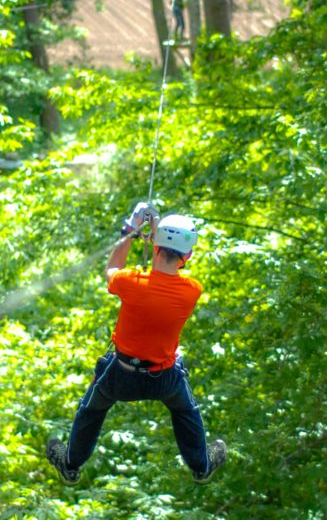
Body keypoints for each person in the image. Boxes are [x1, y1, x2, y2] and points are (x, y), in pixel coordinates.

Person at [46, 202, 227, 485]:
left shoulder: (132, 282)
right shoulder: (191, 290)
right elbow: (163, 268)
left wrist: (131, 229)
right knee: (186, 411)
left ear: (155, 246)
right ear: (188, 254)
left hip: (120, 375)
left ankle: (70, 464)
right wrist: (156, 231)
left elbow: (113, 268)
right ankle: (201, 466)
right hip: (164, 378)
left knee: (91, 410)